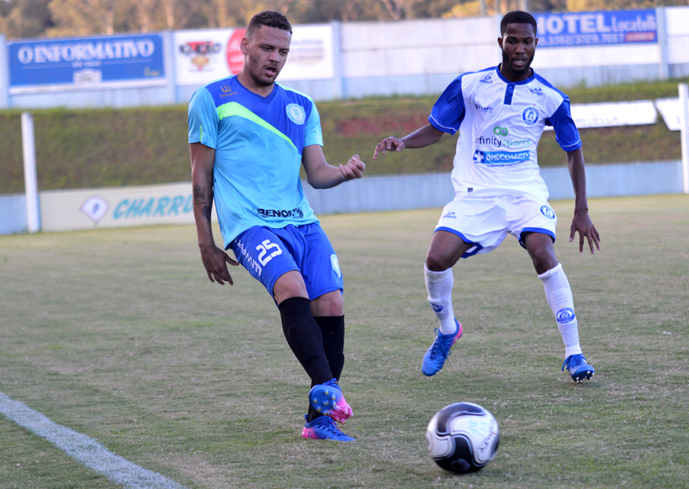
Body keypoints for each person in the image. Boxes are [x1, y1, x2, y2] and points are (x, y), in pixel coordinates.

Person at [373, 10, 600, 382]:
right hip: (476, 193)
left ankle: (574, 354)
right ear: (501, 43)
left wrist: (582, 209)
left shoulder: (551, 98)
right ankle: (448, 330)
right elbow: (436, 129)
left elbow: (573, 150)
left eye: (527, 41)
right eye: (512, 40)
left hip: (525, 192)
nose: (520, 48)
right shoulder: (470, 85)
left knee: (543, 253)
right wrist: (403, 141)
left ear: (536, 44)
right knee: (435, 259)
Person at [188, 10, 365, 441]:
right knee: (291, 288)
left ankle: (318, 419)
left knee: (332, 305)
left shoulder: (302, 107)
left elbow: (317, 173)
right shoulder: (211, 99)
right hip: (250, 226)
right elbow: (200, 177)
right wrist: (205, 242)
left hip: (302, 223)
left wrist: (342, 171)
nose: (274, 58)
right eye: (266, 48)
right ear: (245, 44)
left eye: (282, 51)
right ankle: (328, 390)